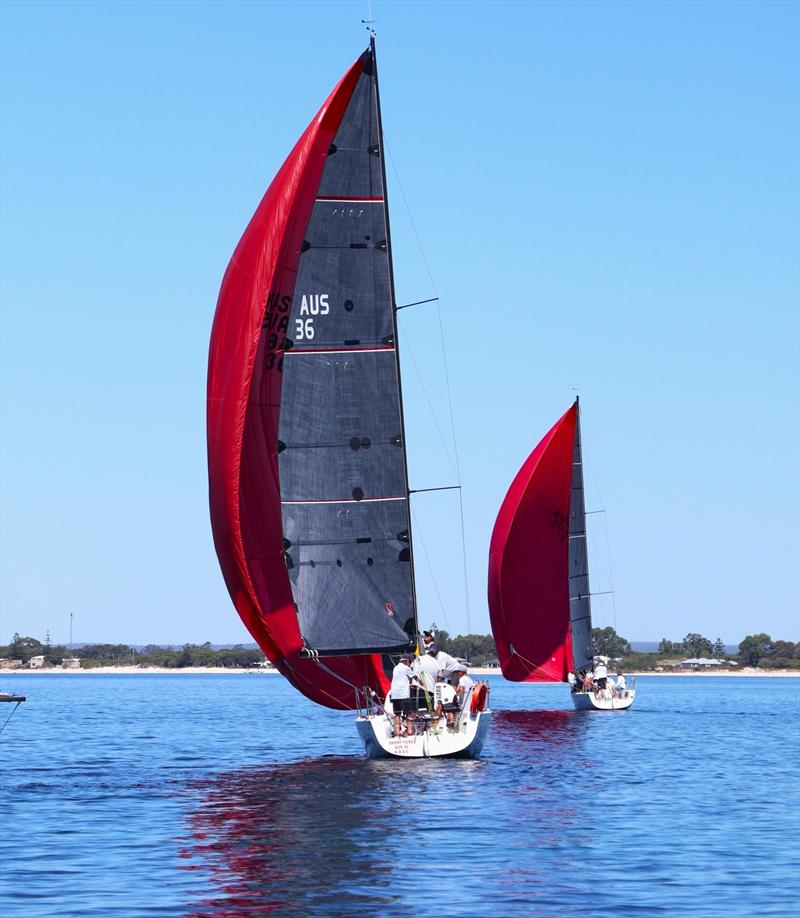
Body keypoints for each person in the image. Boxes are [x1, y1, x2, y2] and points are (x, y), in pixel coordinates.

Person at [390, 653, 416, 737]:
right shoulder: (406, 668)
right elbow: (415, 677)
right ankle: (409, 731)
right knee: (409, 712)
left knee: (397, 714)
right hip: (403, 694)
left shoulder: (395, 668)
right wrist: (422, 683)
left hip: (394, 694)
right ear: (407, 661)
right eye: (409, 662)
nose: (410, 664)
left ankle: (397, 732)